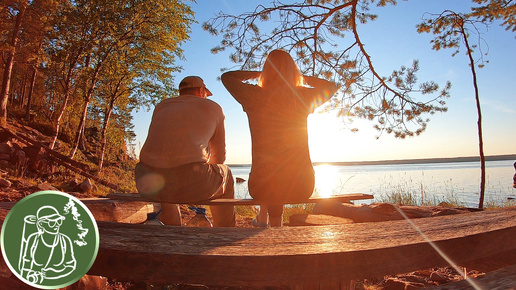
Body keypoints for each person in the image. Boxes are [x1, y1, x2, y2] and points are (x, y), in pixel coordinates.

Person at [221, 50, 338, 227]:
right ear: (293, 71)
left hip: (261, 186)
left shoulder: (254, 96)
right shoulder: (302, 97)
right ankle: (274, 225)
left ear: (266, 71)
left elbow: (227, 78)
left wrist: (260, 73)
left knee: (272, 179)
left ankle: (268, 222)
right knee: (279, 177)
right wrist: (296, 76)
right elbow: (330, 86)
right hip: (302, 185)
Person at [135, 76, 235, 227]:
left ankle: (173, 229)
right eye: (205, 94)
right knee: (226, 174)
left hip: (146, 180)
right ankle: (224, 233)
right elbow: (219, 157)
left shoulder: (162, 106)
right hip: (191, 180)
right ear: (201, 91)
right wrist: (203, 172)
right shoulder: (214, 107)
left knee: (165, 174)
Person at [21, 206, 76, 284]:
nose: (57, 225)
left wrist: (56, 274)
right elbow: (26, 263)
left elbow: (71, 265)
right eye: (52, 222)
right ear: (41, 224)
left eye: (59, 221)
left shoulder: (65, 240)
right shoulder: (33, 239)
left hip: (60, 284)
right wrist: (27, 277)